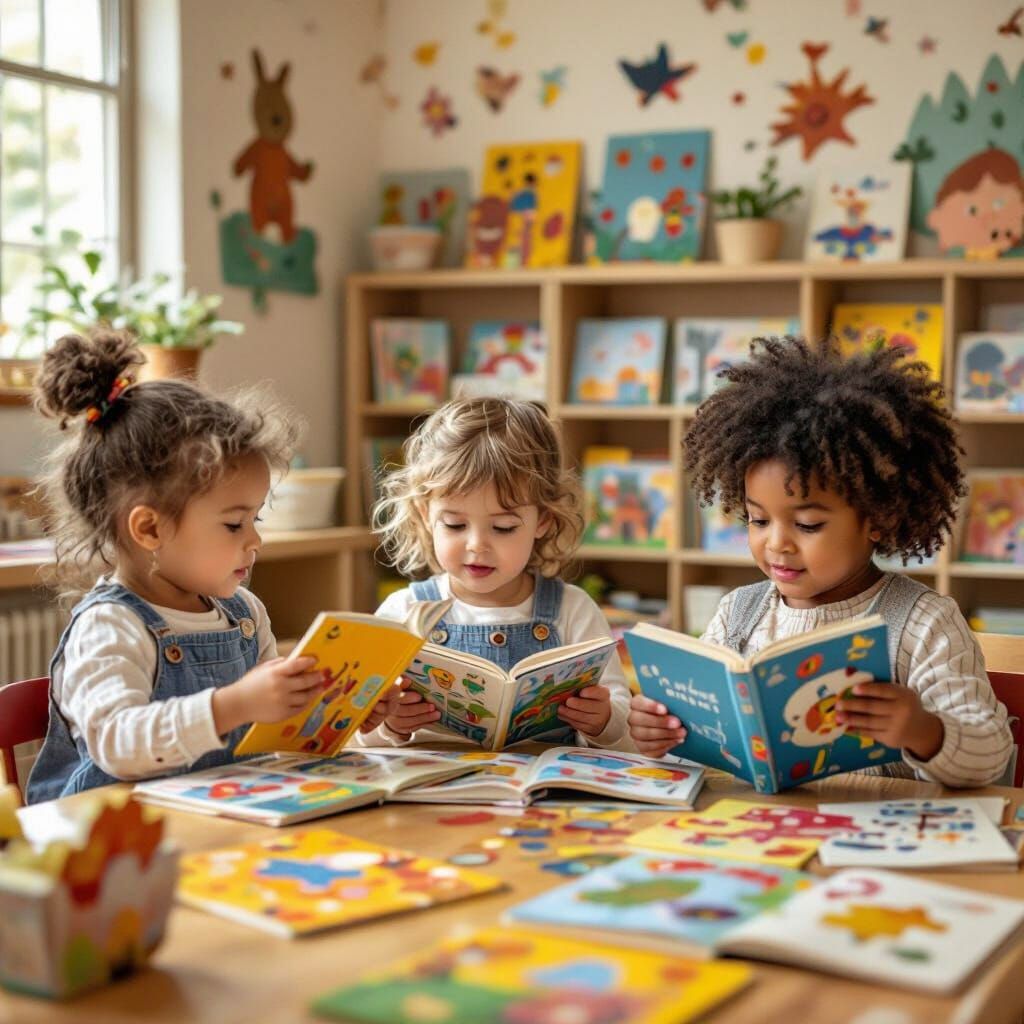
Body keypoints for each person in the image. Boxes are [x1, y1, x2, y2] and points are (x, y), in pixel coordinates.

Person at [629, 337, 1013, 787]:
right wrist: (661, 732)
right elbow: (708, 746)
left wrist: (924, 730)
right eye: (757, 519)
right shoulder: (739, 614)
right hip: (755, 833)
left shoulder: (922, 623)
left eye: (808, 524)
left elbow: (990, 753)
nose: (777, 544)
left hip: (878, 838)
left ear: (879, 517)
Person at [26, 330, 327, 802]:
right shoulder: (111, 626)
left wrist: (341, 711)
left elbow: (275, 731)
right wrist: (232, 705)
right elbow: (117, 744)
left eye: (256, 517)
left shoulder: (243, 613)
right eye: (234, 524)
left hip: (223, 823)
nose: (255, 539)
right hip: (114, 844)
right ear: (149, 530)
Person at [358, 396, 631, 749]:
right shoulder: (402, 612)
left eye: (502, 528)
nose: (476, 545)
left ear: (543, 522)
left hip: (538, 794)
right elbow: (356, 732)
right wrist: (390, 727)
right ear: (426, 515)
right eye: (455, 524)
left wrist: (602, 722)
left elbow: (621, 727)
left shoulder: (572, 609)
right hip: (429, 794)